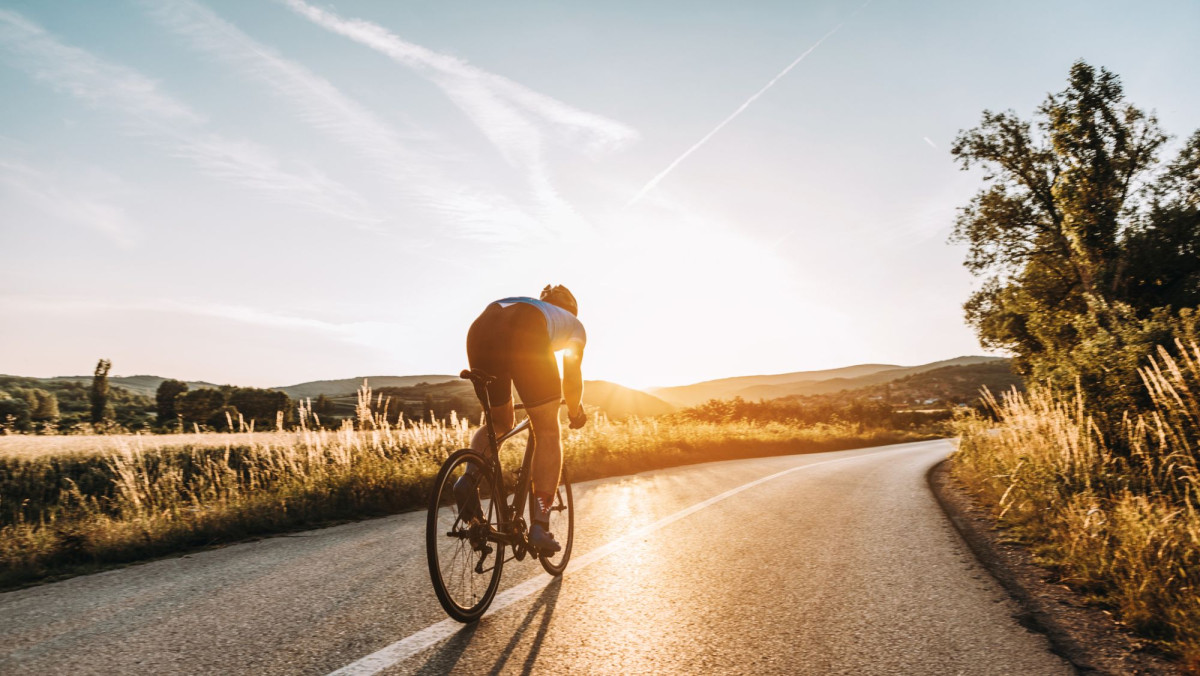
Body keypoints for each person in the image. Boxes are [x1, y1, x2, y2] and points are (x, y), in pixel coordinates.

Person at [456, 284, 587, 553]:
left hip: (481, 330)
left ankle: (468, 480)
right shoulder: (573, 324)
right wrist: (575, 412)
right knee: (548, 432)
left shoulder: (526, 303)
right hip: (527, 332)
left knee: (500, 423)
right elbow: (572, 378)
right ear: (571, 309)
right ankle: (540, 525)